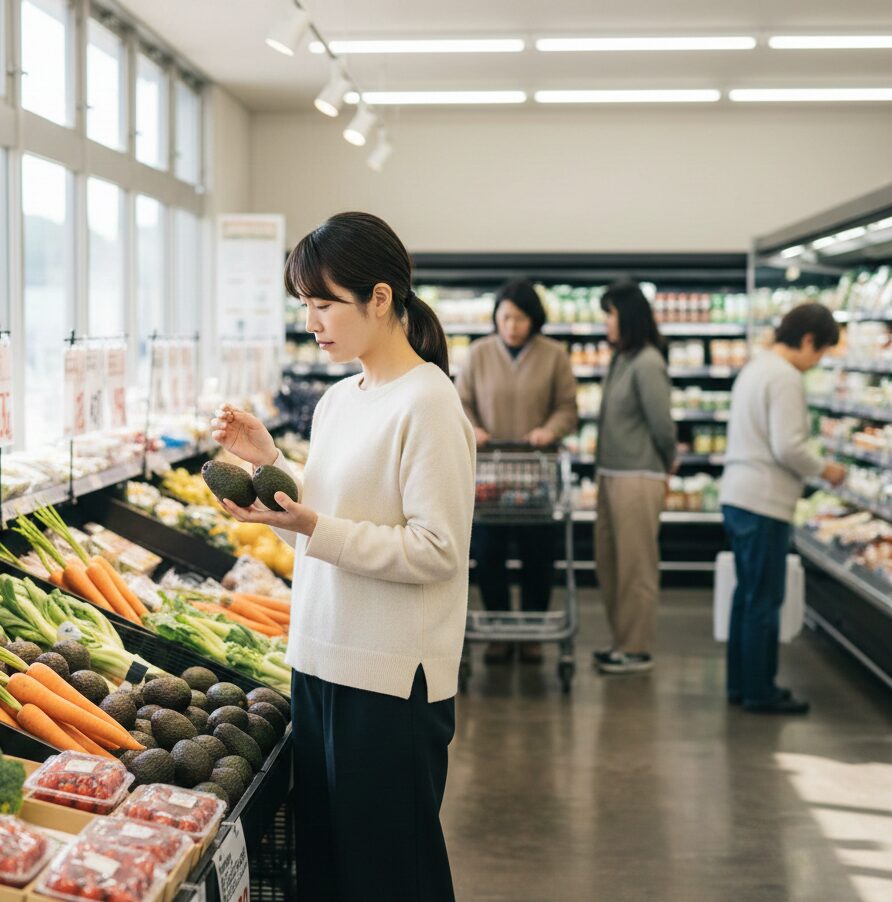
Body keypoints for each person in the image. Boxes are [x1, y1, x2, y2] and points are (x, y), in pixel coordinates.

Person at [210, 212, 475, 902]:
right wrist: (267, 464)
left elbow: (437, 550)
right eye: (305, 305)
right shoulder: (337, 400)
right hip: (318, 662)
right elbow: (320, 533)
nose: (312, 323)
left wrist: (315, 525)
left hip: (389, 681)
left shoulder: (429, 402)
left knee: (390, 877)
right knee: (327, 871)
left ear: (379, 298)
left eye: (324, 304)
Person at [720, 302, 845, 715]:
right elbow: (788, 446)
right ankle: (761, 690)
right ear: (807, 340)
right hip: (764, 501)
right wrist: (825, 469)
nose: (818, 361)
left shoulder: (756, 367)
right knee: (764, 598)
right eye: (821, 351)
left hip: (738, 496)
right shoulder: (785, 377)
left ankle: (740, 684)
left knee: (746, 595)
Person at [456, 278, 577, 664]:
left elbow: (567, 407)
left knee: (537, 554)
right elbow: (460, 401)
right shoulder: (478, 354)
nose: (511, 326)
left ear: (534, 319)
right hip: (489, 475)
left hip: (535, 473)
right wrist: (472, 427)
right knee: (488, 552)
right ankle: (496, 631)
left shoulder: (554, 356)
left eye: (520, 318)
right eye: (505, 317)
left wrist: (550, 431)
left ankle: (533, 632)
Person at [593, 281, 677, 675]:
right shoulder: (621, 359)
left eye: (610, 314)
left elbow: (662, 424)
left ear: (628, 316)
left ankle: (636, 648)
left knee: (636, 566)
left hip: (638, 475)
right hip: (611, 473)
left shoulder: (648, 362)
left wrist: (668, 461)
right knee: (610, 564)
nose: (606, 322)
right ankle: (621, 641)